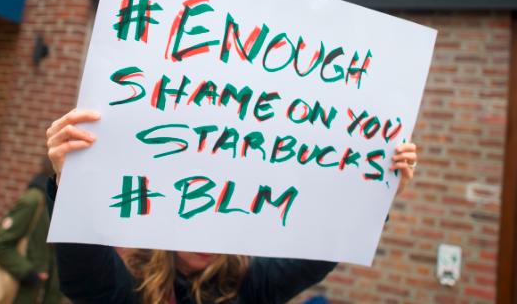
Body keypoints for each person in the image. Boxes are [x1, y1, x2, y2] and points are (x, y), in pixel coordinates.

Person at [46, 109, 418, 304]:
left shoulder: (253, 284)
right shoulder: (135, 286)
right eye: (196, 212)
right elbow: (84, 276)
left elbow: (324, 249)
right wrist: (71, 185)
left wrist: (376, 192)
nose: (205, 236)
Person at [0, 160, 64, 304]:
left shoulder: (63, 205)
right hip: (22, 295)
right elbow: (0, 245)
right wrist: (29, 274)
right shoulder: (34, 200)